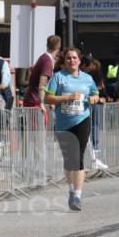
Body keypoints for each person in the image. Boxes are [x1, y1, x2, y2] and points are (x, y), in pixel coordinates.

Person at [44, 48, 100, 211]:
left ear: (79, 61)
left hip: (82, 120)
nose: (72, 60)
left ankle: (77, 195)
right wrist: (67, 97)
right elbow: (47, 98)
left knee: (79, 157)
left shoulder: (87, 78)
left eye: (75, 58)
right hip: (63, 123)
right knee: (69, 159)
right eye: (68, 58)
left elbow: (96, 94)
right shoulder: (58, 77)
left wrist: (94, 99)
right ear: (65, 61)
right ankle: (70, 189)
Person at [24, 35, 60, 108]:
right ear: (58, 46)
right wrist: (43, 103)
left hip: (33, 100)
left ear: (46, 45)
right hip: (36, 102)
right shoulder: (47, 61)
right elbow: (42, 84)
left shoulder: (44, 57)